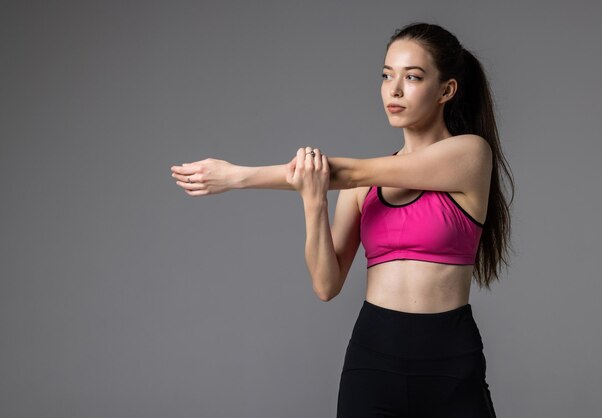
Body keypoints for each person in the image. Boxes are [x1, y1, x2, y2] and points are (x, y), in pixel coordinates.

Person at [170, 21, 513, 418]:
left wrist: (237, 176)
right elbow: (325, 285)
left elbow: (344, 172)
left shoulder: (469, 154)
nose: (394, 90)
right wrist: (313, 202)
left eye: (413, 77)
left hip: (450, 361)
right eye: (387, 76)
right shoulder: (362, 186)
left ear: (446, 90)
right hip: (373, 357)